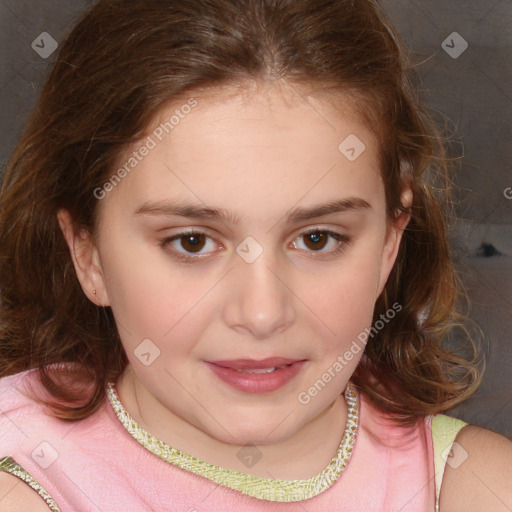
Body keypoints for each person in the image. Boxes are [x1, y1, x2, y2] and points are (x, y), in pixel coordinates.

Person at [0, 0, 511, 510]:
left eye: (318, 238)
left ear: (388, 242)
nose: (263, 314)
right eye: (192, 242)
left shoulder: (476, 487)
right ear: (87, 254)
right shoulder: (23, 489)